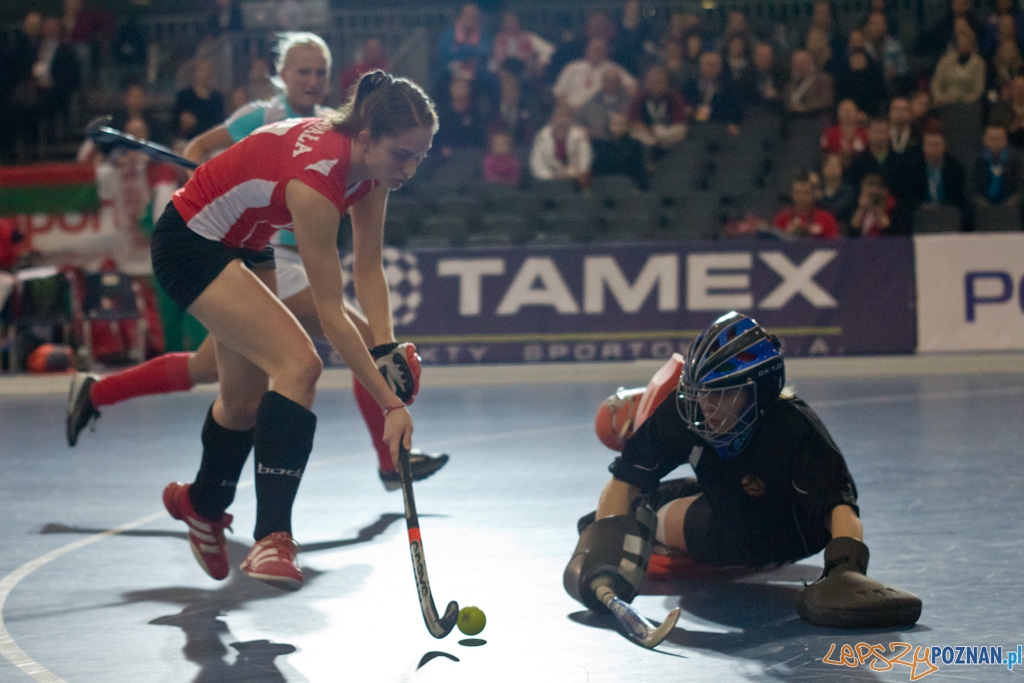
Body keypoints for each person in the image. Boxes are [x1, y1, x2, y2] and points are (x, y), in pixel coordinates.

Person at [66, 35, 449, 492]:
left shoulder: (343, 128)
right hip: (260, 251)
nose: (311, 80)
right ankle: (390, 462)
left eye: (319, 73)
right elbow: (197, 148)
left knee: (210, 368)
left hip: (272, 253)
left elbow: (363, 249)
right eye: (302, 72)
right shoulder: (262, 114)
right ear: (282, 75)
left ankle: (95, 391)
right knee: (360, 339)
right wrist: (212, 184)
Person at [140, 70, 438, 591]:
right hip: (190, 242)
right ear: (367, 139)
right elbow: (330, 313)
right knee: (300, 364)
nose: (410, 169)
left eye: (421, 156)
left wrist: (386, 348)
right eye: (402, 155)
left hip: (248, 243)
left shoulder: (370, 167)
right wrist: (391, 404)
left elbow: (368, 268)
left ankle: (200, 503)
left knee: (242, 402)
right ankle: (272, 538)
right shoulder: (317, 181)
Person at [564, 312, 922, 629]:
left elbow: (838, 507)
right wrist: (604, 540)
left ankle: (666, 537)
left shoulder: (792, 428)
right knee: (602, 518)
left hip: (771, 532)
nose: (708, 406)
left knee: (647, 512)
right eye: (702, 392)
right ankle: (657, 538)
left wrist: (846, 569)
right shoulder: (684, 411)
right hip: (730, 495)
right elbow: (626, 478)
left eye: (724, 394)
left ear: (760, 392)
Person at [529, 101, 593, 186]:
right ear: (552, 118)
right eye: (558, 116)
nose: (562, 120)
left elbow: (584, 163)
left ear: (571, 119)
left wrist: (568, 173)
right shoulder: (541, 137)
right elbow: (536, 165)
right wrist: (552, 176)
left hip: (574, 182)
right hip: (548, 183)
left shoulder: (580, 136)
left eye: (565, 116)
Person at [172, 56, 225, 141]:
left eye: (209, 71)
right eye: (203, 70)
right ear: (195, 73)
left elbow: (219, 124)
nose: (206, 74)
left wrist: (197, 124)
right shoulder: (184, 96)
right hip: (188, 141)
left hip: (211, 142)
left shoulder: (217, 98)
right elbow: (175, 125)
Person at [773, 171, 841, 238]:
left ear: (813, 194)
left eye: (806, 193)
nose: (802, 197)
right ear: (792, 194)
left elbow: (836, 245)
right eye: (798, 193)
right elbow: (774, 244)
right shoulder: (782, 219)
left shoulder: (826, 219)